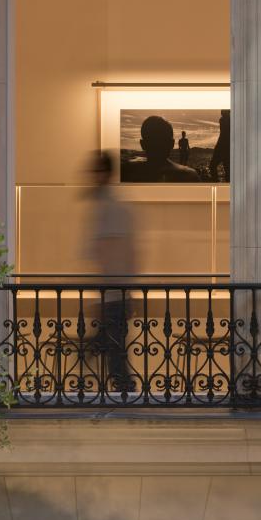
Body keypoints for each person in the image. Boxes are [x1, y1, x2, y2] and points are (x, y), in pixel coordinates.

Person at [87, 151, 136, 395]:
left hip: (114, 293)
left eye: (96, 172)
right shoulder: (107, 205)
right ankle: (124, 393)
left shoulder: (111, 207)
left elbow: (116, 251)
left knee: (113, 351)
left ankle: (126, 394)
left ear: (104, 173)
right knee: (112, 350)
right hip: (113, 292)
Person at [122, 115, 199, 182]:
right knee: (183, 161)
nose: (157, 144)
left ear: (142, 144)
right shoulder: (189, 176)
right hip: (183, 153)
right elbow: (182, 146)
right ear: (172, 144)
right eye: (154, 141)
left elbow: (185, 146)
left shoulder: (126, 172)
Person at [209, 110, 230, 182]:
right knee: (227, 170)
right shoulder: (222, 120)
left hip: (224, 147)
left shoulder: (224, 120)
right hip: (224, 146)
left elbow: (223, 134)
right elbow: (222, 134)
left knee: (214, 166)